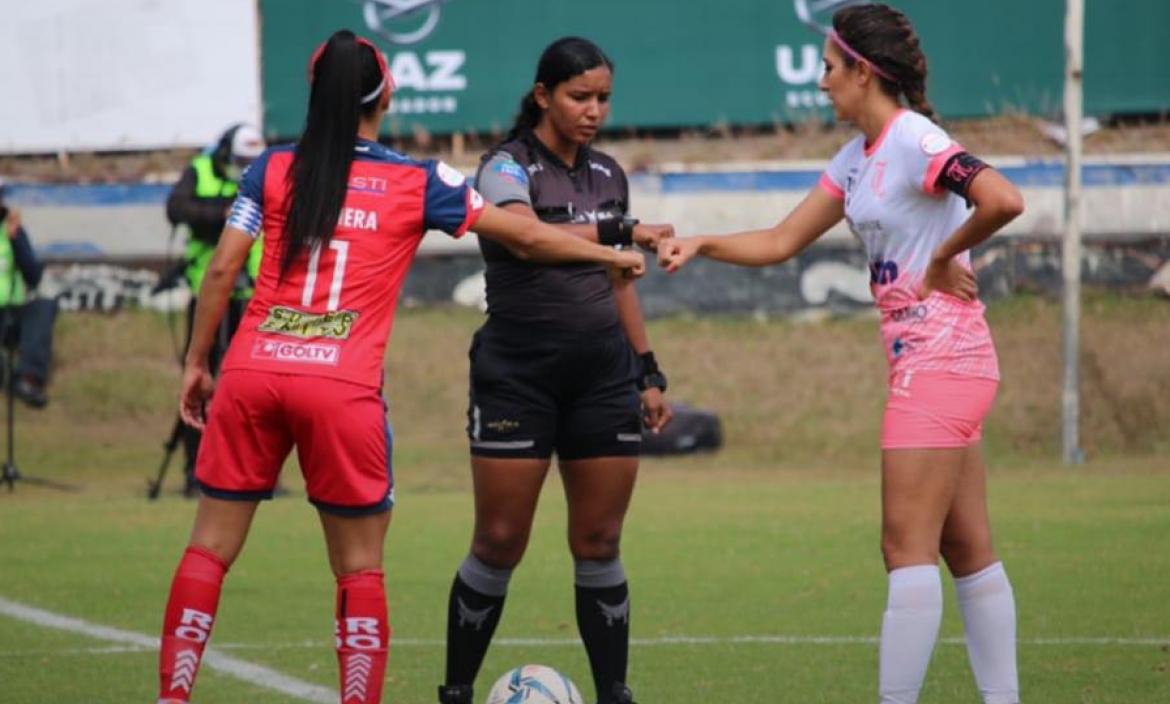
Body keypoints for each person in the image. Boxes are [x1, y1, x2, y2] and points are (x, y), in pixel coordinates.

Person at [155, 29, 644, 704]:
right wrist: (612, 251)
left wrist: (197, 362)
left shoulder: (271, 169)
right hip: (339, 386)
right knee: (358, 569)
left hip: (253, 372)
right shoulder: (419, 180)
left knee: (207, 550)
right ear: (385, 95)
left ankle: (171, 697)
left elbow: (222, 269)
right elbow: (526, 233)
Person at [658, 5, 1024, 703]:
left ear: (863, 71)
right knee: (966, 547)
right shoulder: (857, 159)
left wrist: (945, 256)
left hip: (939, 357)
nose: (821, 82)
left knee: (903, 547)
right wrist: (701, 242)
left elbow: (1002, 199)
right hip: (943, 360)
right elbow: (779, 242)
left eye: (829, 68)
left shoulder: (916, 139)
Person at [438, 37, 673, 704]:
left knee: (599, 540)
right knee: (499, 541)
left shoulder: (608, 176)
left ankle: (613, 695)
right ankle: (455, 691)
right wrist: (626, 232)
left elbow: (622, 280)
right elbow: (526, 234)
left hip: (603, 378)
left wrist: (647, 370)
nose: (593, 110)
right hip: (517, 377)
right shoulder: (504, 168)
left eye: (602, 98)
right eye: (579, 97)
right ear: (543, 95)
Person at [166, 122, 267, 495]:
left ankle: (255, 470)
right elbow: (177, 208)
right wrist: (221, 216)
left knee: (254, 385)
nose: (245, 169)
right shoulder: (201, 170)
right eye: (240, 161)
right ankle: (196, 470)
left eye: (251, 162)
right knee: (201, 377)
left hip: (253, 294)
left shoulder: (268, 173)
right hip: (209, 291)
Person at [0, 178, 58, 409]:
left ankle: (28, 378)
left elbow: (33, 276)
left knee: (43, 307)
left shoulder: (12, 230)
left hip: (11, 312)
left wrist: (16, 241)